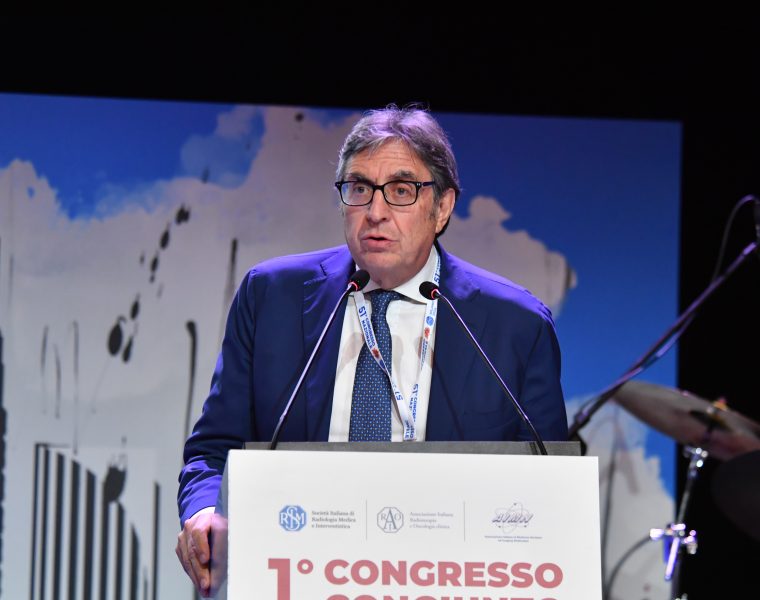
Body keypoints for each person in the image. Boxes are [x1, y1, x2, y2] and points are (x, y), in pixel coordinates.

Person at [175, 105, 568, 595]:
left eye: (401, 191)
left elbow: (548, 488)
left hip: (447, 580)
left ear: (442, 207)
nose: (375, 212)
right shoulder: (271, 297)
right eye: (359, 188)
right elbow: (214, 450)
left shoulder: (515, 325)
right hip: (297, 574)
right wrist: (204, 511)